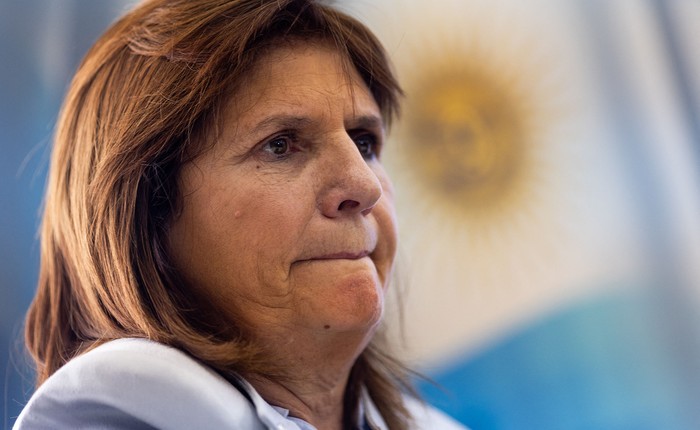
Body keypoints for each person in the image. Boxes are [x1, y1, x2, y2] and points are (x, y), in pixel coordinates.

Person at [14, 1, 467, 429]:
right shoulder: (116, 413)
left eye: (364, 143)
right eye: (281, 145)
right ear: (144, 214)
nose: (364, 188)